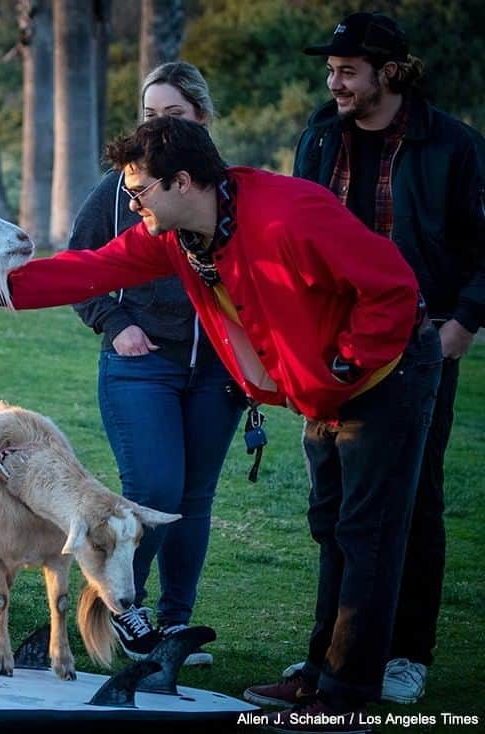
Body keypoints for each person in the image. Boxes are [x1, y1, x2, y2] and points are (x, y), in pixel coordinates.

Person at [0, 115, 441, 734]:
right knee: (333, 528)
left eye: (139, 192)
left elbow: (393, 287)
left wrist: (345, 364)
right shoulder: (178, 235)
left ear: (183, 182)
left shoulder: (288, 213)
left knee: (366, 535)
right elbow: (87, 269)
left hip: (386, 379)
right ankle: (319, 674)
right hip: (332, 392)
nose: (131, 205)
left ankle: (345, 697)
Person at [281, 11, 485, 706]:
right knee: (335, 505)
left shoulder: (452, 145)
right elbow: (298, 235)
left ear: (389, 73)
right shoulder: (318, 135)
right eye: (330, 70)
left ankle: (406, 653)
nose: (333, 82)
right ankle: (326, 658)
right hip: (335, 346)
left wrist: (464, 321)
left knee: (413, 499)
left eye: (347, 71)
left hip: (421, 343)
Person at [68, 62, 242, 667]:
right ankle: (122, 614)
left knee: (194, 498)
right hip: (142, 364)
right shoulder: (118, 190)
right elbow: (78, 267)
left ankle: (173, 626)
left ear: (200, 117)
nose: (158, 127)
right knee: (154, 490)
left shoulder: (227, 188)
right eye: (149, 116)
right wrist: (116, 324)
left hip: (218, 370)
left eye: (172, 115)